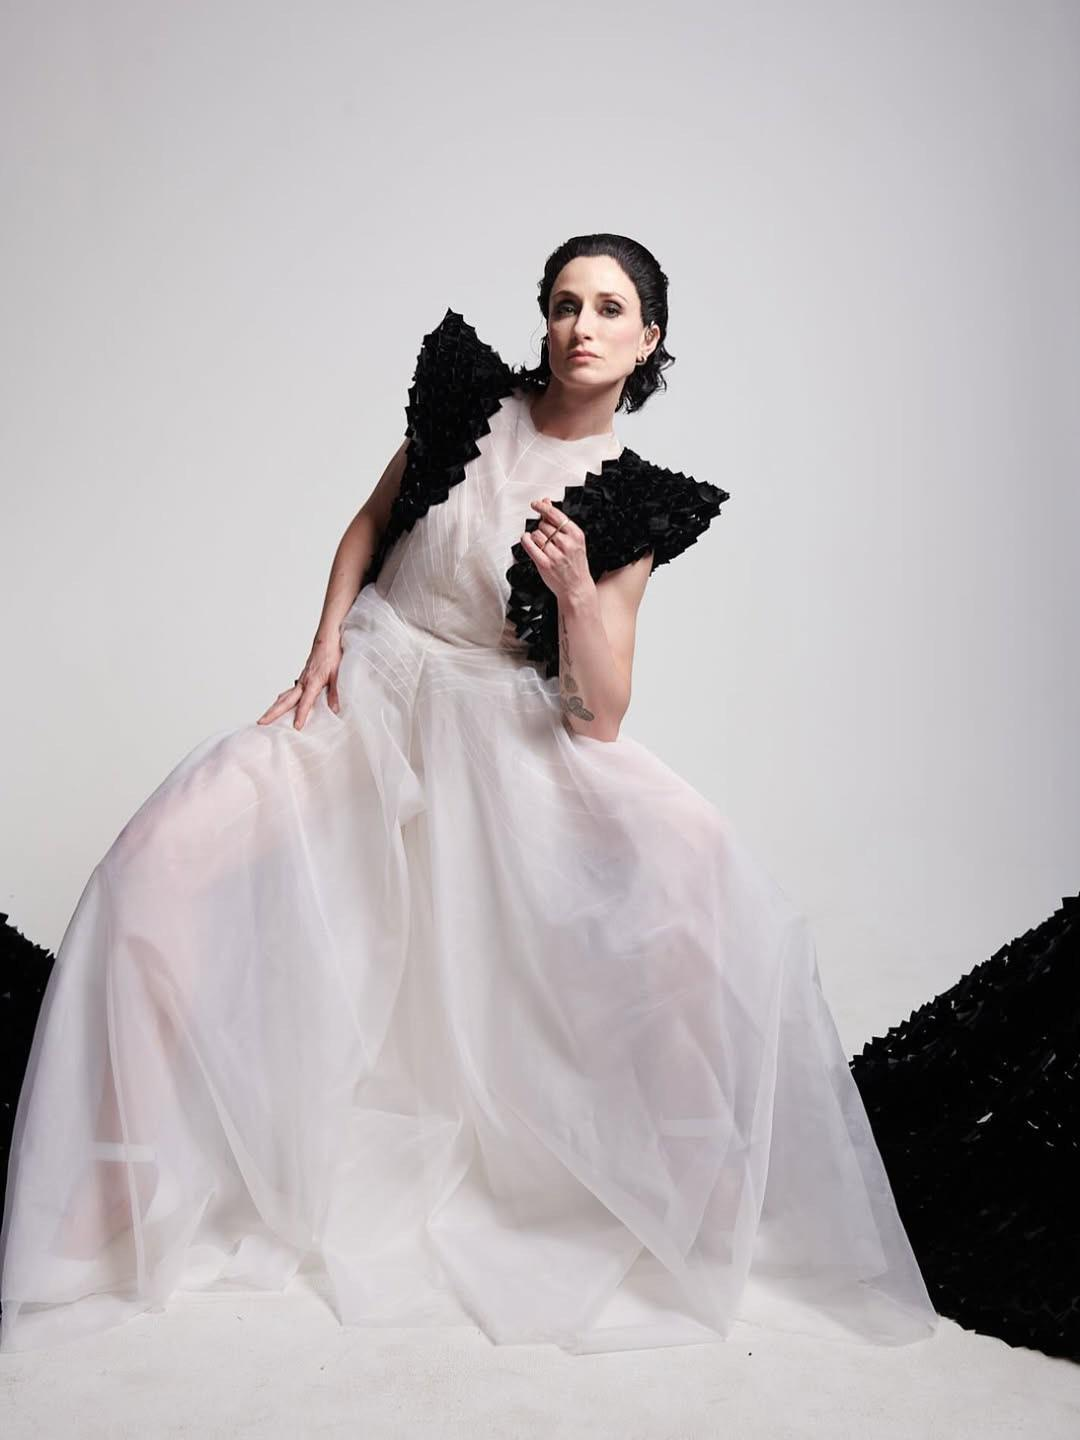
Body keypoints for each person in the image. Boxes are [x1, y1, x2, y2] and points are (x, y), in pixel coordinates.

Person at [0, 234, 940, 1355]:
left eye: (611, 308)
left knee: (695, 879)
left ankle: (705, 1196)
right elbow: (370, 526)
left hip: (497, 732)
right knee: (157, 867)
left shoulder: (632, 504)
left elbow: (599, 713)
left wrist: (577, 593)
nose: (582, 325)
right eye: (565, 302)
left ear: (649, 340)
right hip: (370, 688)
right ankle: (119, 1186)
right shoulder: (464, 402)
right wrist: (323, 647)